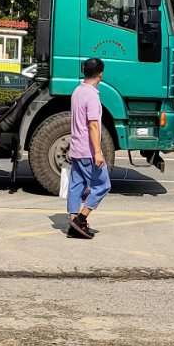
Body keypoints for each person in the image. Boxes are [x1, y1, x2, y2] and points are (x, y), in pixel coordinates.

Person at [66, 57, 110, 240]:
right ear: (101, 74)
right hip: (87, 150)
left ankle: (73, 223)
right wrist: (98, 152)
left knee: (76, 185)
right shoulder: (92, 95)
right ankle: (81, 220)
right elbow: (93, 125)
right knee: (103, 185)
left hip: (76, 147)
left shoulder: (77, 91)